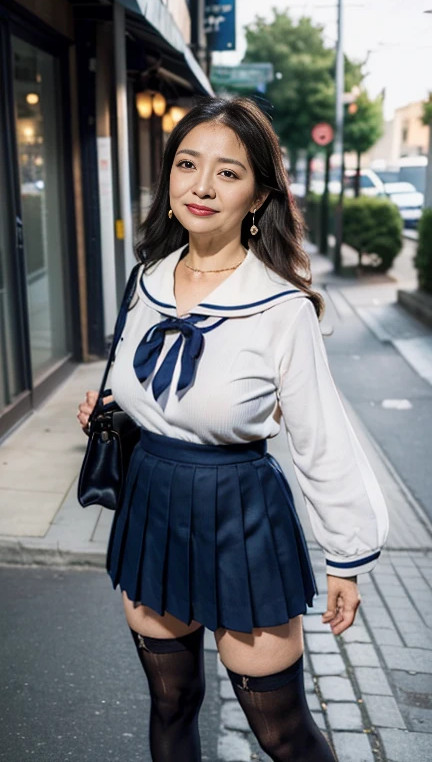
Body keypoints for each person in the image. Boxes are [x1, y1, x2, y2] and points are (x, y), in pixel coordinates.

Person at [77, 97, 389, 762]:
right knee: (171, 704)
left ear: (258, 197)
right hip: (152, 507)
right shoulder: (146, 281)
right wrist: (111, 411)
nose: (201, 185)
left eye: (227, 172)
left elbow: (322, 437)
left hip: (241, 516)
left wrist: (347, 556)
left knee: (283, 733)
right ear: (169, 179)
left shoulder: (281, 308)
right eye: (188, 164)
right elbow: (138, 390)